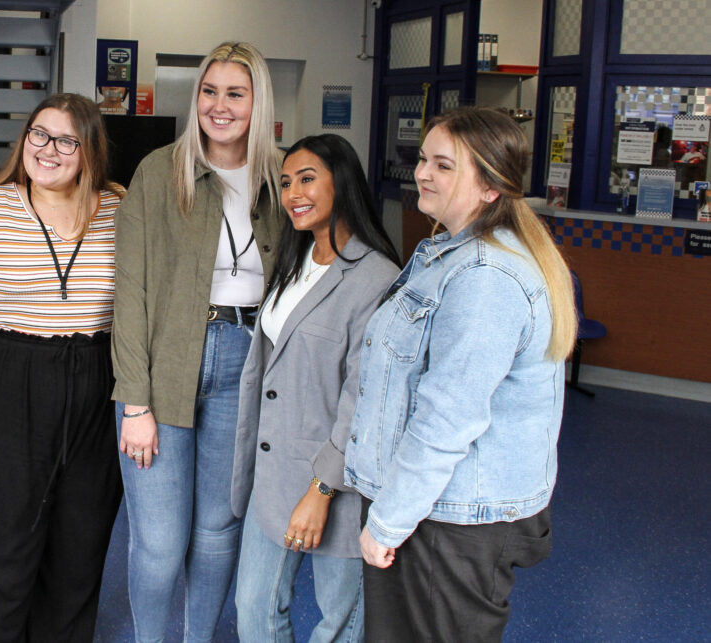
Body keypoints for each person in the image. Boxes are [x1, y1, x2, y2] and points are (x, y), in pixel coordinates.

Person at [344, 106, 577, 642]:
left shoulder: (484, 276)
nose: (423, 172)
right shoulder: (450, 253)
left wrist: (389, 520)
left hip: (448, 523)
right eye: (423, 159)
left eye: (444, 166)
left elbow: (447, 417)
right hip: (437, 512)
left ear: (491, 187)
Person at [0, 93, 125, 642]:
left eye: (66, 140)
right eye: (39, 134)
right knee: (3, 548)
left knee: (80, 547)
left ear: (89, 150)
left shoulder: (119, 207)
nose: (49, 149)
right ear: (24, 139)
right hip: (6, 379)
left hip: (95, 381)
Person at [110, 42, 283, 641]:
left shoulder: (284, 179)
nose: (219, 105)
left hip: (247, 361)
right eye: (209, 92)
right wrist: (135, 403)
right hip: (164, 366)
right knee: (158, 543)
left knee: (216, 533)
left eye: (235, 93)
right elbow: (128, 293)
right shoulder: (160, 171)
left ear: (258, 100)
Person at [231, 134, 401, 642]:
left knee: (340, 623)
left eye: (307, 179)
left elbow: (365, 398)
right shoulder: (292, 260)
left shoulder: (376, 279)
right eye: (285, 183)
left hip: (336, 485)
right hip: (273, 474)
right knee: (254, 609)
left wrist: (321, 489)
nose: (293, 193)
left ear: (341, 183)